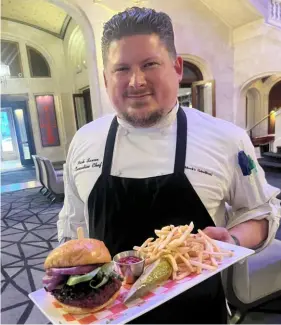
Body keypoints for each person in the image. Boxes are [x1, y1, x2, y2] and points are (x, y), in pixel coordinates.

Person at [57, 7, 281, 324]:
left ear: (176, 67)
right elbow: (72, 228)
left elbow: (261, 213)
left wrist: (231, 241)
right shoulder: (83, 142)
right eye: (121, 69)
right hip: (107, 316)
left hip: (199, 315)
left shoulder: (228, 140)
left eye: (150, 64)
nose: (136, 81)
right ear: (106, 78)